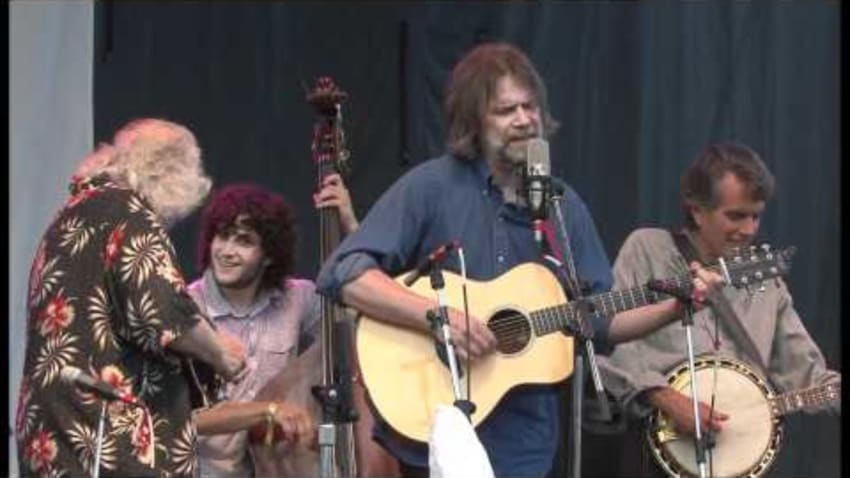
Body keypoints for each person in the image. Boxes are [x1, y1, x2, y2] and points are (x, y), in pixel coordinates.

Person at [315, 42, 721, 478]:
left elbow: (598, 319)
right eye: (506, 110)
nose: (525, 120)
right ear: (474, 121)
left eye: (530, 107)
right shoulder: (431, 188)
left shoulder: (562, 206)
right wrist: (440, 316)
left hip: (526, 438)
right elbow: (344, 273)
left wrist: (676, 307)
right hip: (440, 426)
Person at [582, 142, 842, 478]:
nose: (749, 230)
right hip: (652, 452)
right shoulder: (648, 249)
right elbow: (607, 347)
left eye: (756, 216)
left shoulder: (765, 281)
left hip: (737, 461)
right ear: (696, 209)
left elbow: (806, 373)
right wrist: (665, 398)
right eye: (735, 215)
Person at [15, 118, 248, 478]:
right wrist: (220, 354)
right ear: (171, 173)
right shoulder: (131, 214)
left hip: (51, 431)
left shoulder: (70, 214)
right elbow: (167, 315)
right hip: (107, 439)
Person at [188, 176, 359, 478]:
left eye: (243, 241)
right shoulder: (188, 308)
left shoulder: (297, 297)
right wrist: (267, 411)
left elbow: (360, 311)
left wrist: (347, 221)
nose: (227, 251)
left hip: (279, 466)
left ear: (268, 256)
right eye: (222, 236)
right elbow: (183, 420)